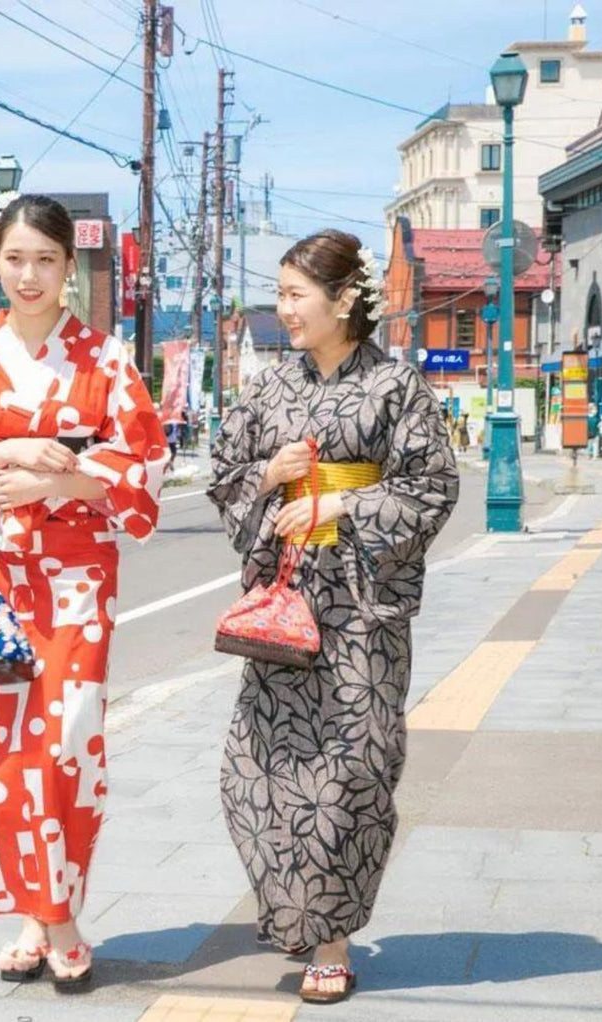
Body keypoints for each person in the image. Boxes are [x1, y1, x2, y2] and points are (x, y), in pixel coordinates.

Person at [0, 195, 168, 991]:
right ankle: (43, 916)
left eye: (46, 261)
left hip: (79, 580)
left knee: (68, 743)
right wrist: (13, 451)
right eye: (15, 259)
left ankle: (53, 912)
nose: (29, 276)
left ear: (69, 270)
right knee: (12, 754)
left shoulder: (106, 362)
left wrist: (63, 478)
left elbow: (145, 474)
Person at [206, 230, 459, 1005]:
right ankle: (295, 910)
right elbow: (222, 471)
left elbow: (432, 486)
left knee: (351, 772)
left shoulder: (395, 387)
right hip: (285, 602)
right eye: (279, 294)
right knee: (258, 771)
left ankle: (331, 939)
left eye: (294, 294)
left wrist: (340, 501)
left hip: (360, 610)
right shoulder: (270, 388)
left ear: (344, 299)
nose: (282, 309)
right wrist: (266, 475)